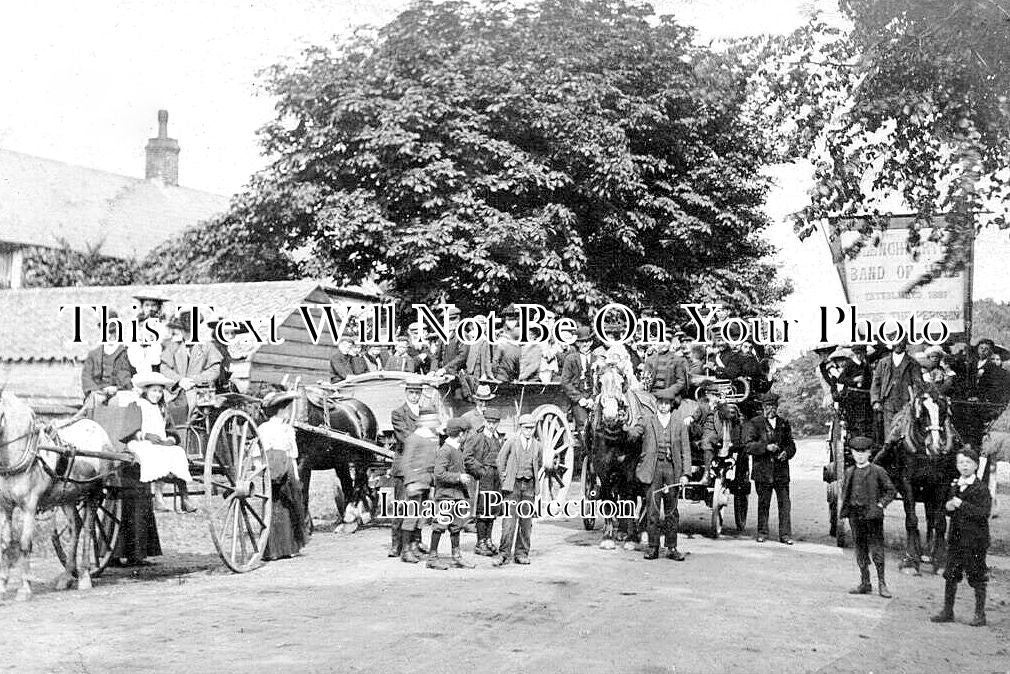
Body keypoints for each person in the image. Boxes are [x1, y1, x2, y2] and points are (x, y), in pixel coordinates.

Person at [120, 372, 197, 513]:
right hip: (140, 442)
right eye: (154, 391)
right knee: (152, 453)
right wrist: (146, 435)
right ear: (146, 390)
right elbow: (129, 430)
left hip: (160, 442)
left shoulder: (162, 408)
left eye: (160, 392)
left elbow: (171, 430)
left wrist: (170, 440)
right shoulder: (137, 405)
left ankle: (185, 497)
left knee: (177, 452)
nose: (157, 394)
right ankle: (158, 496)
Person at [628, 389, 692, 560]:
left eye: (666, 403)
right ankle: (653, 547)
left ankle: (672, 547)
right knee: (653, 510)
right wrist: (624, 428)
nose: (663, 406)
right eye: (661, 403)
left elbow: (686, 451)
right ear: (656, 405)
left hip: (672, 470)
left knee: (672, 511)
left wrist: (686, 474)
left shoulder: (679, 424)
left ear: (671, 405)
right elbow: (635, 432)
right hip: (653, 469)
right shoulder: (648, 421)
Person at [932, 447, 991, 627]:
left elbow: (983, 513)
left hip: (975, 541)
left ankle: (980, 615)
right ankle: (948, 611)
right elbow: (950, 510)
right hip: (956, 539)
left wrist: (961, 504)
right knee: (951, 575)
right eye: (960, 463)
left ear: (975, 465)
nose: (964, 466)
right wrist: (949, 507)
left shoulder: (981, 488)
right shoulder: (955, 486)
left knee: (976, 576)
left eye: (968, 463)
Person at [840, 436, 897, 598]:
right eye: (856, 452)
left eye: (863, 452)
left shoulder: (878, 471)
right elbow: (846, 492)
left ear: (869, 453)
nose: (860, 456)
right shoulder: (849, 472)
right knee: (860, 549)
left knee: (877, 549)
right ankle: (865, 582)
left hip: (872, 516)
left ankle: (882, 584)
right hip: (855, 516)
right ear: (851, 453)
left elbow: (891, 490)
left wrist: (880, 505)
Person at [259, 390, 307, 561]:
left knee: (283, 506)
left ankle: (281, 548)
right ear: (280, 410)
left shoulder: (280, 429)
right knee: (283, 505)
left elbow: (291, 453)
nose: (288, 412)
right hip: (278, 468)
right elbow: (264, 452)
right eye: (286, 408)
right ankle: (280, 549)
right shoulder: (273, 429)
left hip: (280, 469)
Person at [745, 392, 796, 544]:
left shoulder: (784, 423)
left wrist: (786, 453)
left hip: (781, 472)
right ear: (763, 407)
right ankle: (762, 533)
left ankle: (785, 535)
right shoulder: (755, 423)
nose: (771, 409)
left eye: (773, 406)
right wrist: (766, 447)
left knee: (785, 504)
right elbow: (748, 446)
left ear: (777, 407)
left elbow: (791, 445)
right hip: (763, 471)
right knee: (763, 503)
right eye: (768, 406)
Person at [494, 414, 541, 566]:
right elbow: (500, 459)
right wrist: (504, 479)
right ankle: (504, 554)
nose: (529, 431)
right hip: (512, 486)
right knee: (509, 522)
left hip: (529, 487)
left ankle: (521, 553)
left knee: (526, 523)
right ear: (521, 428)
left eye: (532, 428)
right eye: (526, 428)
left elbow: (539, 463)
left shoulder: (537, 445)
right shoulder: (512, 442)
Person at [160, 311, 222, 426]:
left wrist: (195, 380)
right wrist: (179, 380)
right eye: (185, 331)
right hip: (175, 390)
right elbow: (164, 368)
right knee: (165, 406)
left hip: (201, 391)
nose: (188, 334)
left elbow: (215, 369)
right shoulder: (174, 346)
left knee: (193, 408)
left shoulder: (207, 346)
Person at [429, 418, 476, 570]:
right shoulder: (446, 450)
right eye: (467, 433)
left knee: (456, 526)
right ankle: (432, 558)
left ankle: (456, 557)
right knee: (440, 525)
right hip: (445, 495)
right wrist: (458, 477)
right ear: (461, 434)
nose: (467, 436)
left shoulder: (457, 448)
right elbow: (439, 474)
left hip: (457, 495)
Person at [401, 409, 441, 565]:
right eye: (431, 420)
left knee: (422, 516)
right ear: (423, 421)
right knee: (411, 516)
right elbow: (406, 462)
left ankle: (415, 544)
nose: (434, 423)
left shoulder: (433, 438)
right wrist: (410, 482)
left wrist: (433, 482)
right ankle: (405, 550)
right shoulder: (414, 438)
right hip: (415, 482)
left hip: (427, 481)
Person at [388, 379, 423, 557]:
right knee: (402, 505)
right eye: (411, 392)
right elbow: (405, 437)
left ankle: (415, 542)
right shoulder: (398, 413)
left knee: (419, 506)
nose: (415, 396)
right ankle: (397, 544)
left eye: (418, 393)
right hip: (405, 465)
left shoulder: (426, 413)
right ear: (406, 393)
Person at [463, 407, 503, 556]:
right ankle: (480, 542)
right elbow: (467, 457)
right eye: (489, 422)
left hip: (495, 478)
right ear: (484, 421)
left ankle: (488, 539)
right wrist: (480, 470)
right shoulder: (476, 437)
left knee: (492, 510)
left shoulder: (498, 438)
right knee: (482, 510)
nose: (492, 425)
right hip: (482, 478)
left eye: (495, 422)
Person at [870, 336, 923, 443]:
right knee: (889, 434)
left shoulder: (913, 363)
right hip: (888, 403)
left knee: (905, 432)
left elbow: (918, 384)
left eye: (901, 341)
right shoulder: (883, 362)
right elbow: (876, 383)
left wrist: (914, 401)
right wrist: (875, 401)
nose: (898, 344)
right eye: (895, 341)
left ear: (905, 343)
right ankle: (890, 457)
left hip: (905, 404)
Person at [81, 312, 134, 406]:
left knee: (118, 402)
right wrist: (98, 391)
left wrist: (117, 388)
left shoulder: (127, 353)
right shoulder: (93, 355)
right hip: (98, 392)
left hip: (120, 392)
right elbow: (86, 378)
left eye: (113, 331)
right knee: (95, 401)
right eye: (107, 331)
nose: (111, 335)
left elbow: (131, 377)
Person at [561, 326, 595, 435]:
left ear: (591, 342)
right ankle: (585, 450)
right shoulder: (570, 359)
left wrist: (593, 398)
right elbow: (565, 382)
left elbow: (600, 383)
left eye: (587, 341)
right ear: (577, 343)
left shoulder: (597, 359)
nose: (585, 344)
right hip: (578, 398)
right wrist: (579, 398)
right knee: (583, 425)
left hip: (593, 398)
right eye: (582, 342)